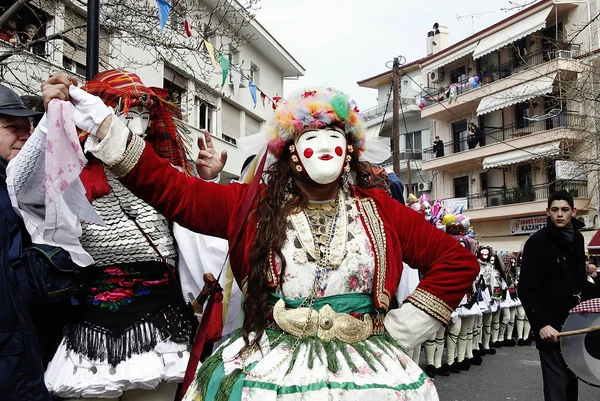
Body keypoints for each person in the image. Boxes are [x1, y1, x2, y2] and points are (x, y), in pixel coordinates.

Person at [43, 77, 480, 400]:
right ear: (291, 150)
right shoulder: (249, 206)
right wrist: (104, 126)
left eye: (335, 138)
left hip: (367, 368)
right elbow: (172, 191)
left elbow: (457, 262)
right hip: (269, 366)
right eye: (312, 138)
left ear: (349, 152)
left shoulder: (382, 211)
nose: (325, 147)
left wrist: (401, 331)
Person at [17, 70, 228, 401]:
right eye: (126, 114)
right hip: (89, 327)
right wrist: (54, 117)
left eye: (144, 116)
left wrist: (207, 181)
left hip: (163, 327)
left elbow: (204, 222)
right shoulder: (72, 174)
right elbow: (24, 188)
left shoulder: (167, 175)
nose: (137, 125)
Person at [0, 84, 78, 400]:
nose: (23, 134)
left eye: (27, 126)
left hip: (42, 341)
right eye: (10, 127)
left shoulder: (28, 181)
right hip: (13, 351)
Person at [519, 190, 600, 401]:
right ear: (547, 212)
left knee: (571, 386)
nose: (560, 214)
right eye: (555, 210)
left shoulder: (578, 238)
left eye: (565, 210)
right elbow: (525, 288)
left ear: (573, 211)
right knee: (557, 389)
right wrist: (541, 324)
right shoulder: (537, 242)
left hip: (574, 324)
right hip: (551, 327)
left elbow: (579, 283)